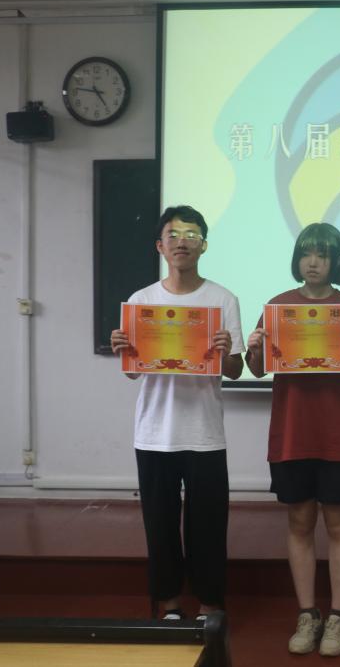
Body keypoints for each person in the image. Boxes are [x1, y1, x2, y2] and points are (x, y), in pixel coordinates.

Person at [245, 222, 340, 657]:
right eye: (307, 253)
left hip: (339, 434)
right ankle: (308, 614)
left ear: (336, 261)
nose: (314, 262)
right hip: (292, 433)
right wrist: (254, 345)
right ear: (297, 259)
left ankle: (338, 617)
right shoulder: (278, 307)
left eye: (323, 254)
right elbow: (256, 368)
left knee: (339, 525)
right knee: (300, 523)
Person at [110, 205, 244, 621]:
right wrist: (124, 351)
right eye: (173, 235)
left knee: (208, 526)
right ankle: (169, 605)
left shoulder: (223, 299)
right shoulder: (141, 301)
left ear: (204, 245)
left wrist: (224, 351)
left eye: (191, 235)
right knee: (159, 524)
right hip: (155, 433)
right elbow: (134, 373)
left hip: (205, 433)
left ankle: (209, 604)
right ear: (160, 246)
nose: (181, 242)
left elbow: (235, 369)